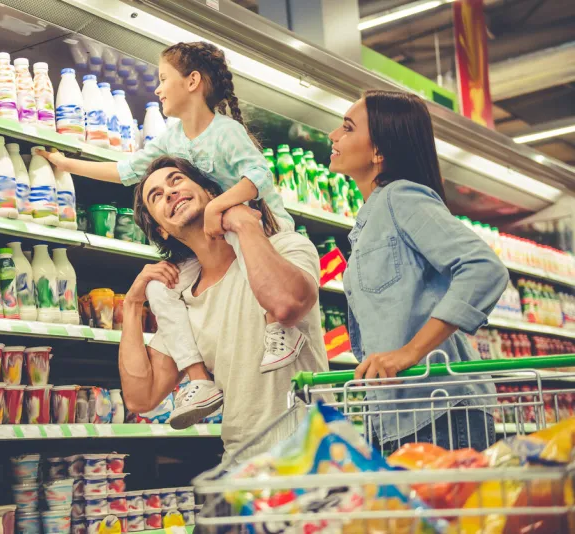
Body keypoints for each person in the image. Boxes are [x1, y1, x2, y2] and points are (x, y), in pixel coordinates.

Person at [43, 41, 304, 428]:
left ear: (193, 81)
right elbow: (127, 170)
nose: (158, 89)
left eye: (163, 79)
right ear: (161, 227)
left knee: (247, 251)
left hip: (259, 224)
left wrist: (218, 207)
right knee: (158, 288)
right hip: (217, 234)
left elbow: (261, 177)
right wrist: (66, 163)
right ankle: (199, 379)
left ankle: (280, 330)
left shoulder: (227, 132)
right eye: (157, 196)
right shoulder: (172, 137)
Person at [327, 89, 509, 453]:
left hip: (440, 410)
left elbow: (483, 267)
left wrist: (409, 352)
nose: (334, 135)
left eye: (347, 128)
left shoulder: (401, 197)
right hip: (399, 413)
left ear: (379, 151)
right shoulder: (368, 219)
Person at [119, 156, 331, 455]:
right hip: (243, 464)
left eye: (176, 180)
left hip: (314, 453)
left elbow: (286, 306)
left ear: (211, 192)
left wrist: (243, 222)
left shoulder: (285, 247)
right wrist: (132, 304)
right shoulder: (181, 299)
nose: (168, 192)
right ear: (162, 229)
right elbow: (141, 398)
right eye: (156, 196)